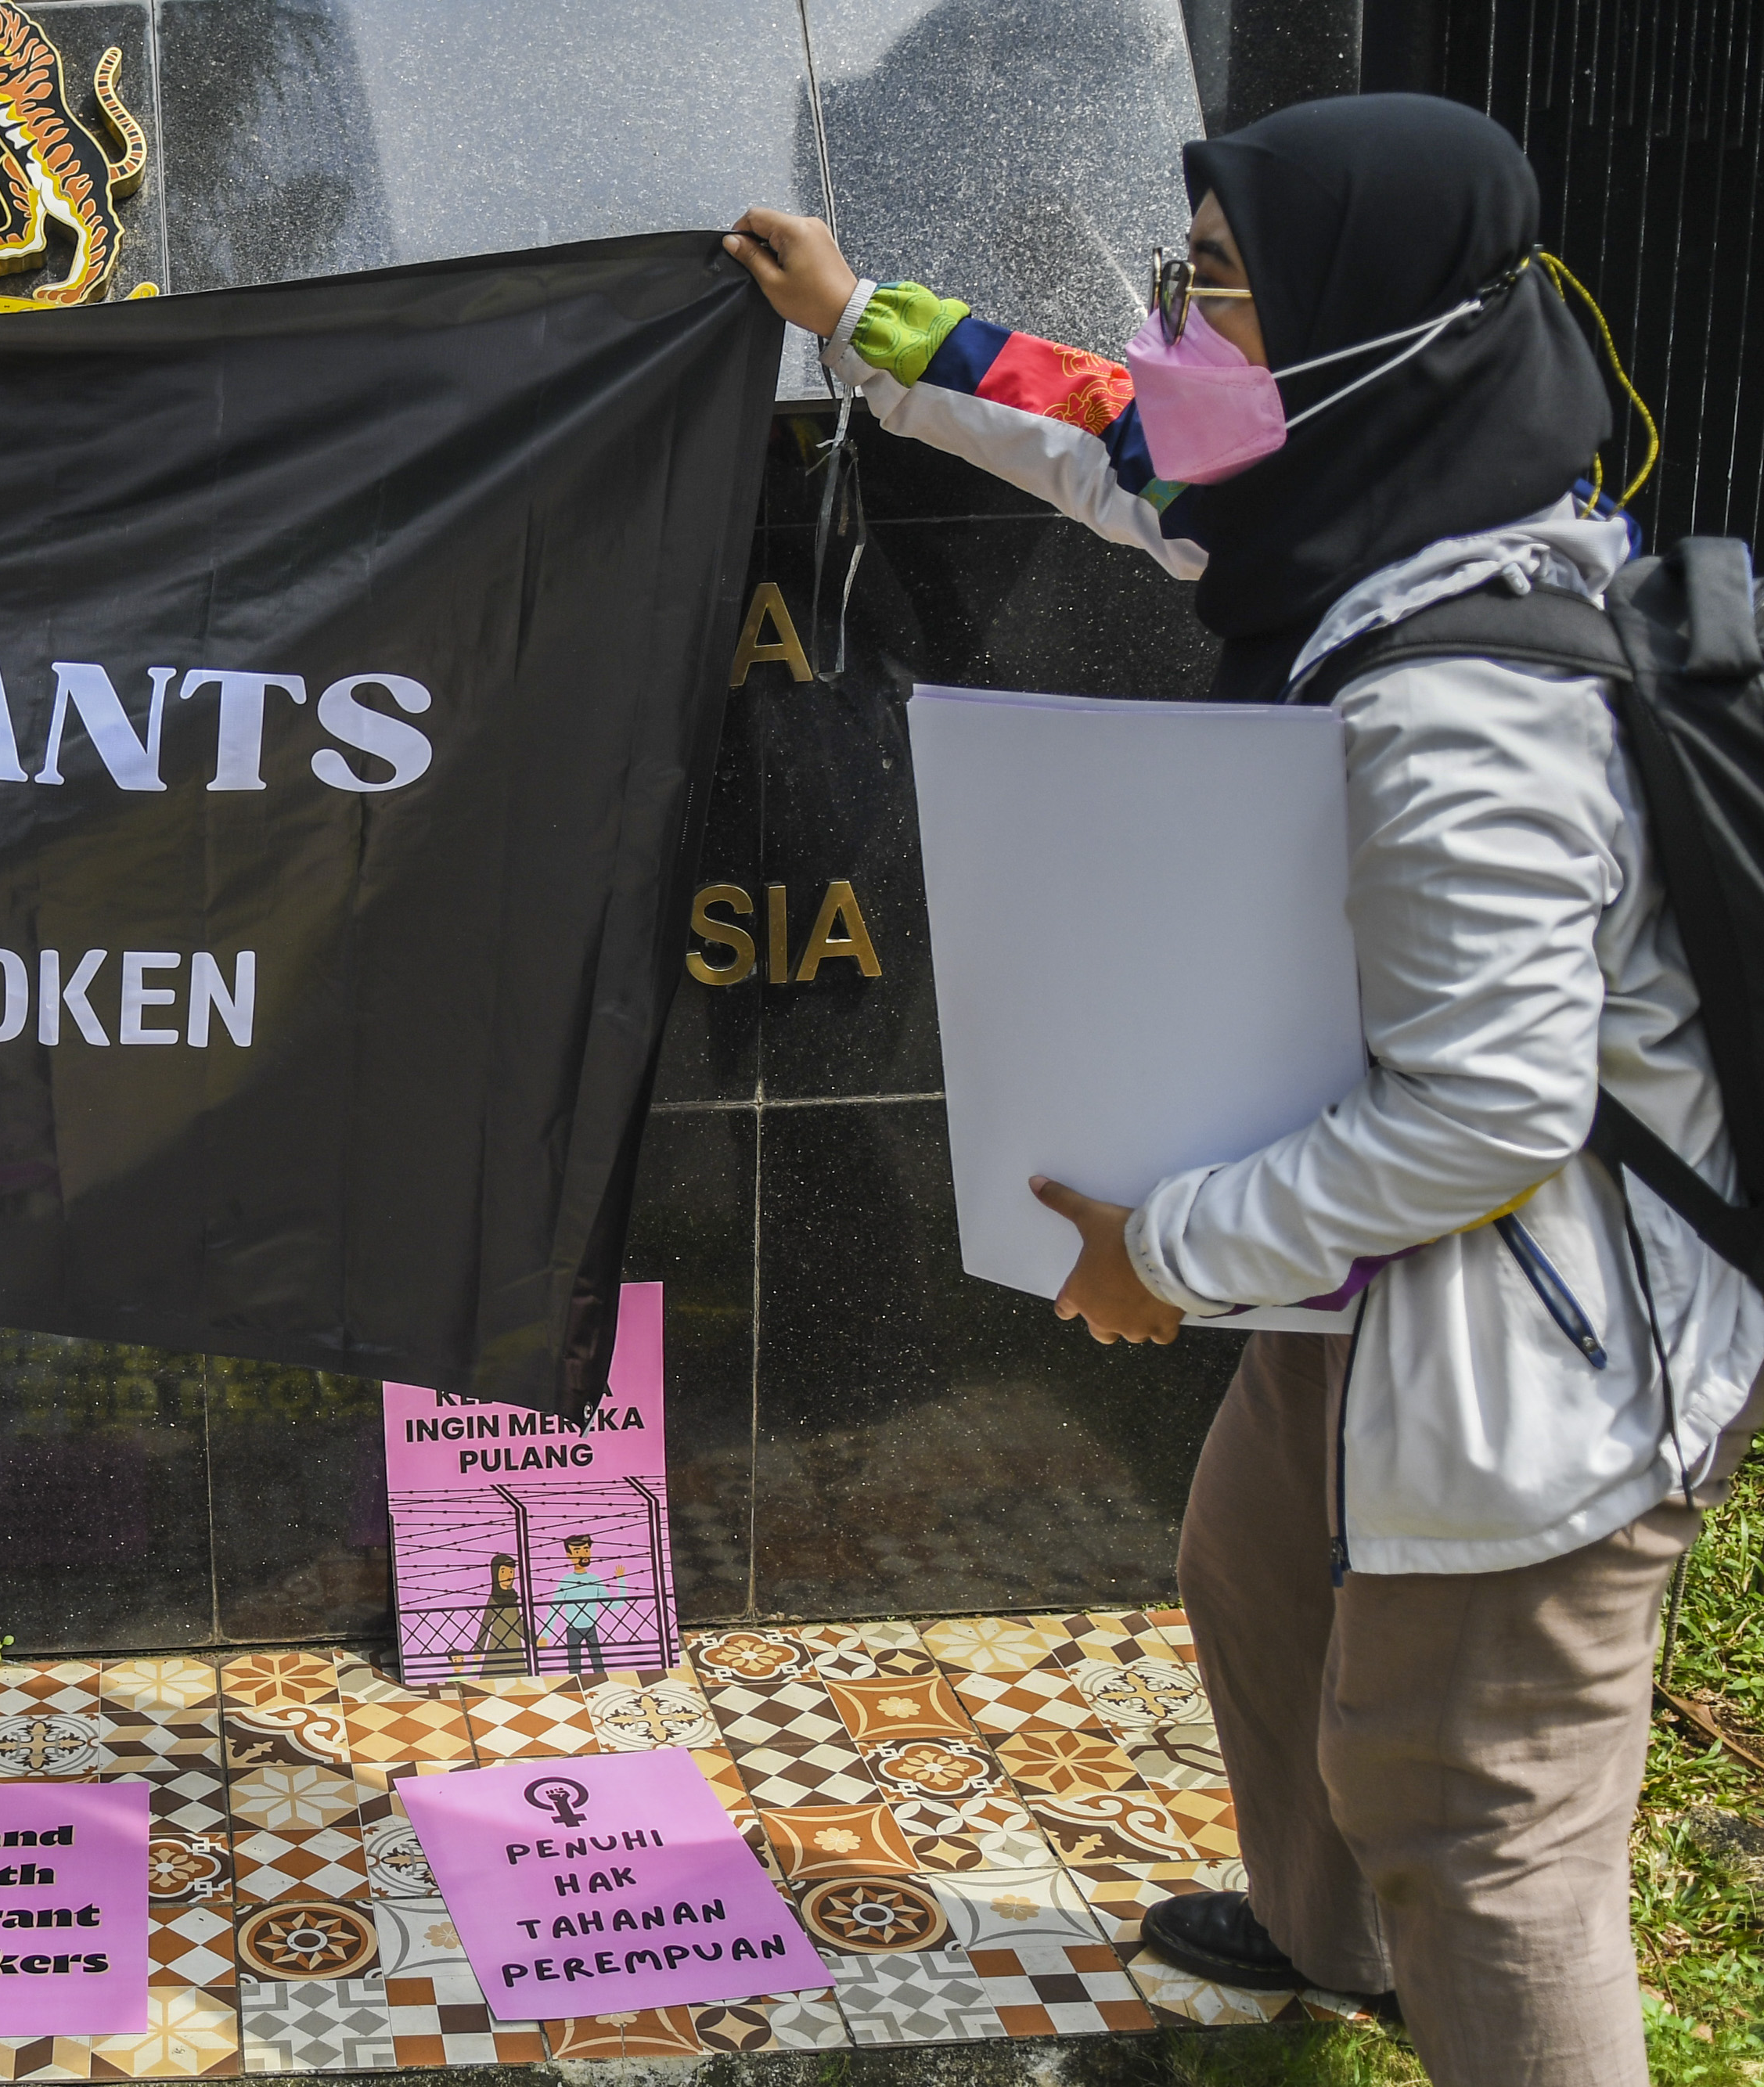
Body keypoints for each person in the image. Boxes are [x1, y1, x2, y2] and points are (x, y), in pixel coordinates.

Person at [726, 93, 1761, 2087]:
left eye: (1213, 289)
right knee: (1255, 1563)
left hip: (1534, 1340)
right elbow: (1112, 441)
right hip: (1392, 1276)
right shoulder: (1363, 498)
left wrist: (1164, 1257)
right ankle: (1321, 1932)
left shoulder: (1460, 708)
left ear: (1361, 329)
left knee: (1483, 1812)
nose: (1171, 328)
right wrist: (862, 319)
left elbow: (1490, 1116)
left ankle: (1422, 1934)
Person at [545, 1532, 621, 1675]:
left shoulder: (595, 1579)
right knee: (574, 1668)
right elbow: (554, 1607)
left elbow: (613, 1605)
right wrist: (545, 1634)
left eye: (586, 1550)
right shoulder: (566, 1580)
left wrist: (622, 1581)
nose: (583, 1554)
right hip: (573, 1629)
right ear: (569, 1555)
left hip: (591, 1628)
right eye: (577, 1551)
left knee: (599, 1667)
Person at [468, 1553, 531, 1677]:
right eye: (504, 1571)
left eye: (511, 1571)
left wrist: (533, 1639)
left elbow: (519, 1623)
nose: (509, 1575)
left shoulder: (513, 1598)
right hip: (496, 1645)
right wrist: (479, 1648)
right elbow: (485, 1624)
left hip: (514, 1645)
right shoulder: (494, 1599)